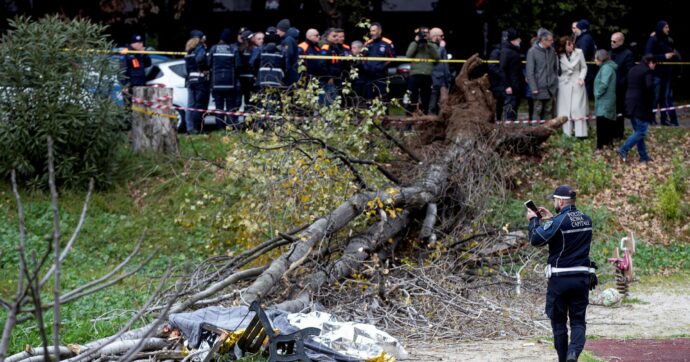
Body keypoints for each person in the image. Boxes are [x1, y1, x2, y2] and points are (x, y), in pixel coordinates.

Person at [527, 185, 595, 362]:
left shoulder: (558, 222)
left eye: (555, 200)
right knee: (578, 322)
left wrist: (534, 220)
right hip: (581, 279)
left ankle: (563, 359)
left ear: (562, 201)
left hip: (559, 280)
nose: (554, 202)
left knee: (559, 323)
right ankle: (573, 353)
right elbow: (568, 233)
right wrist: (552, 218)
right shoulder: (587, 220)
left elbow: (536, 239)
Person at [618, 54, 657, 163]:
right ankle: (623, 149)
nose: (654, 67)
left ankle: (643, 156)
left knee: (638, 132)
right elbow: (649, 87)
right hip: (641, 105)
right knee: (641, 131)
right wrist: (652, 101)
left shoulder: (633, 69)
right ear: (650, 62)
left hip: (630, 102)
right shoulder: (647, 71)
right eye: (654, 64)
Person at [645, 20, 680, 126]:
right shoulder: (653, 39)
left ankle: (664, 120)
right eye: (666, 27)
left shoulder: (668, 40)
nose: (668, 29)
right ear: (661, 28)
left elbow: (672, 54)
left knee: (666, 97)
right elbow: (648, 55)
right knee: (655, 96)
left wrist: (674, 56)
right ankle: (651, 119)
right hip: (656, 73)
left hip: (667, 73)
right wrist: (663, 57)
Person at [208, 28, 240, 130]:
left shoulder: (213, 48)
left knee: (219, 107)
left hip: (216, 83)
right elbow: (238, 65)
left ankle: (220, 128)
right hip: (230, 84)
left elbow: (208, 63)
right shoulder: (233, 49)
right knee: (231, 106)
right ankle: (230, 127)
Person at [556, 36, 588, 138]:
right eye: (568, 44)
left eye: (571, 44)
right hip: (564, 84)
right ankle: (567, 134)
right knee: (565, 110)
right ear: (563, 46)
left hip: (577, 83)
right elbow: (555, 69)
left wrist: (581, 78)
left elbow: (584, 67)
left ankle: (581, 134)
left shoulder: (579, 52)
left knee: (577, 108)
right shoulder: (559, 55)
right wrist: (560, 78)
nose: (571, 46)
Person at [405, 26, 440, 114]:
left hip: (427, 75)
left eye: (426, 33)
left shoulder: (432, 44)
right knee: (412, 97)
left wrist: (429, 44)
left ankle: (424, 117)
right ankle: (410, 118)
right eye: (422, 33)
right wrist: (416, 42)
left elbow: (437, 57)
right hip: (414, 74)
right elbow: (408, 55)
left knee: (426, 98)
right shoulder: (414, 44)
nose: (424, 35)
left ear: (429, 34)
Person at [526, 29, 558, 121]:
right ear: (543, 40)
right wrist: (533, 87)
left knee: (549, 111)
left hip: (550, 87)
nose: (552, 42)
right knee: (537, 110)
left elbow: (554, 68)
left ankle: (548, 133)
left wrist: (554, 81)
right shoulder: (532, 51)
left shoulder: (552, 51)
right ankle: (535, 132)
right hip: (538, 87)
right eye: (550, 40)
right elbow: (530, 71)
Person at [609, 32, 635, 139]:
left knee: (619, 112)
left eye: (614, 41)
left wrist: (620, 82)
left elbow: (629, 72)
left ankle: (618, 134)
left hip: (620, 88)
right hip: (609, 88)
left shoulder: (628, 54)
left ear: (621, 41)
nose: (612, 43)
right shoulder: (609, 53)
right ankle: (610, 132)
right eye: (611, 41)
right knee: (610, 111)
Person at [184, 30, 210, 134]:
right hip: (200, 80)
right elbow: (200, 60)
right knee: (200, 106)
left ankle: (190, 128)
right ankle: (198, 128)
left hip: (191, 80)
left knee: (190, 105)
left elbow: (187, 67)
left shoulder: (189, 50)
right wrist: (204, 69)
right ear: (200, 39)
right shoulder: (200, 48)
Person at [362, 22, 395, 100]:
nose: (371, 33)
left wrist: (382, 67)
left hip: (381, 75)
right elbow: (361, 57)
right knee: (369, 97)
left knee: (384, 97)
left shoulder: (387, 43)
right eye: (370, 31)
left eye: (373, 31)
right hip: (369, 75)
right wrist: (365, 66)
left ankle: (384, 112)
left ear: (379, 31)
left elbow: (393, 57)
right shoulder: (367, 43)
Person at [593, 49, 617, 149]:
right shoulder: (606, 67)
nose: (594, 60)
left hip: (604, 100)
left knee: (602, 124)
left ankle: (600, 146)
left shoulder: (606, 68)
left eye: (595, 58)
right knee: (608, 123)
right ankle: (608, 144)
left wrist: (597, 94)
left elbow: (604, 84)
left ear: (600, 59)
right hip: (607, 100)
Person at [500, 27, 523, 122]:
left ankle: (511, 126)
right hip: (510, 87)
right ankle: (507, 128)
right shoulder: (507, 51)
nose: (520, 41)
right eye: (518, 39)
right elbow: (502, 69)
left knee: (514, 109)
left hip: (516, 85)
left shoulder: (513, 50)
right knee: (509, 109)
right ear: (514, 40)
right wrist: (507, 86)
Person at [318, 28, 343, 105]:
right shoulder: (326, 47)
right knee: (328, 100)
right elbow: (322, 63)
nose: (336, 38)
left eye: (337, 36)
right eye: (334, 36)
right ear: (327, 37)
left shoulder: (335, 47)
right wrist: (328, 77)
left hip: (335, 78)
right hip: (328, 79)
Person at [573, 19, 597, 99]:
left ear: (581, 28)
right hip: (585, 67)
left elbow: (582, 54)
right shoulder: (583, 37)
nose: (575, 30)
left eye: (576, 28)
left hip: (585, 68)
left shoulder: (585, 39)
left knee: (583, 90)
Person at [429, 27, 451, 115]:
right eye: (441, 36)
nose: (443, 38)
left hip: (444, 80)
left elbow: (445, 65)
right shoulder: (430, 46)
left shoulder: (443, 48)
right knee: (432, 104)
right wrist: (441, 48)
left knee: (444, 104)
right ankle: (430, 124)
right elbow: (435, 58)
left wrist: (448, 78)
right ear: (435, 36)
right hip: (434, 80)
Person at [276, 18, 299, 87]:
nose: (277, 32)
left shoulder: (288, 40)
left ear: (282, 30)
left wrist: (285, 72)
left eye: (278, 30)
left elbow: (287, 56)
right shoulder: (289, 39)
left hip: (290, 74)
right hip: (292, 72)